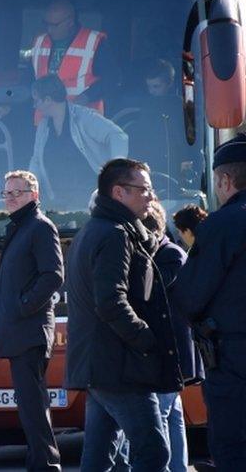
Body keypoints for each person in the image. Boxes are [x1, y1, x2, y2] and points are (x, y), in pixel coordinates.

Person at [64, 158, 181, 472]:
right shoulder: (114, 234)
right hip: (120, 366)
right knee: (154, 453)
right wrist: (146, 339)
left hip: (102, 365)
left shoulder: (93, 230)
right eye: (142, 189)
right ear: (118, 192)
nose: (150, 196)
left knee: (99, 458)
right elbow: (110, 302)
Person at [173, 133, 246, 471]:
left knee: (232, 448)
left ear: (225, 180)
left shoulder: (221, 225)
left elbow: (189, 296)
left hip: (233, 360)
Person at [0, 171, 64, 472]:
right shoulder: (21, 226)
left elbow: (53, 276)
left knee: (33, 405)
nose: (9, 198)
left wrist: (22, 306)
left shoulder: (40, 226)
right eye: (6, 193)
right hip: (19, 330)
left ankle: (46, 465)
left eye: (16, 192)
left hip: (29, 330)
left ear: (34, 195)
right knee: (30, 404)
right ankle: (40, 462)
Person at [141, 200, 198, 472]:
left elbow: (150, 295)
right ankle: (178, 467)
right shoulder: (169, 253)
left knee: (161, 414)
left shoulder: (170, 255)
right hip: (172, 350)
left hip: (171, 351)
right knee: (172, 413)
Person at [28, 75, 128, 207]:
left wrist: (115, 169)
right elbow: (36, 159)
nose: (35, 106)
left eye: (36, 101)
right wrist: (29, 186)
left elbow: (118, 136)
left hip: (90, 198)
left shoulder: (84, 117)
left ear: (47, 100)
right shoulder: (43, 126)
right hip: (57, 198)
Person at [30, 0, 119, 115]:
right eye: (46, 24)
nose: (49, 29)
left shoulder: (94, 42)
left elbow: (112, 78)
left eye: (54, 25)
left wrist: (87, 96)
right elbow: (29, 79)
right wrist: (11, 102)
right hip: (45, 120)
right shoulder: (39, 42)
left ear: (70, 22)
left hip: (83, 120)